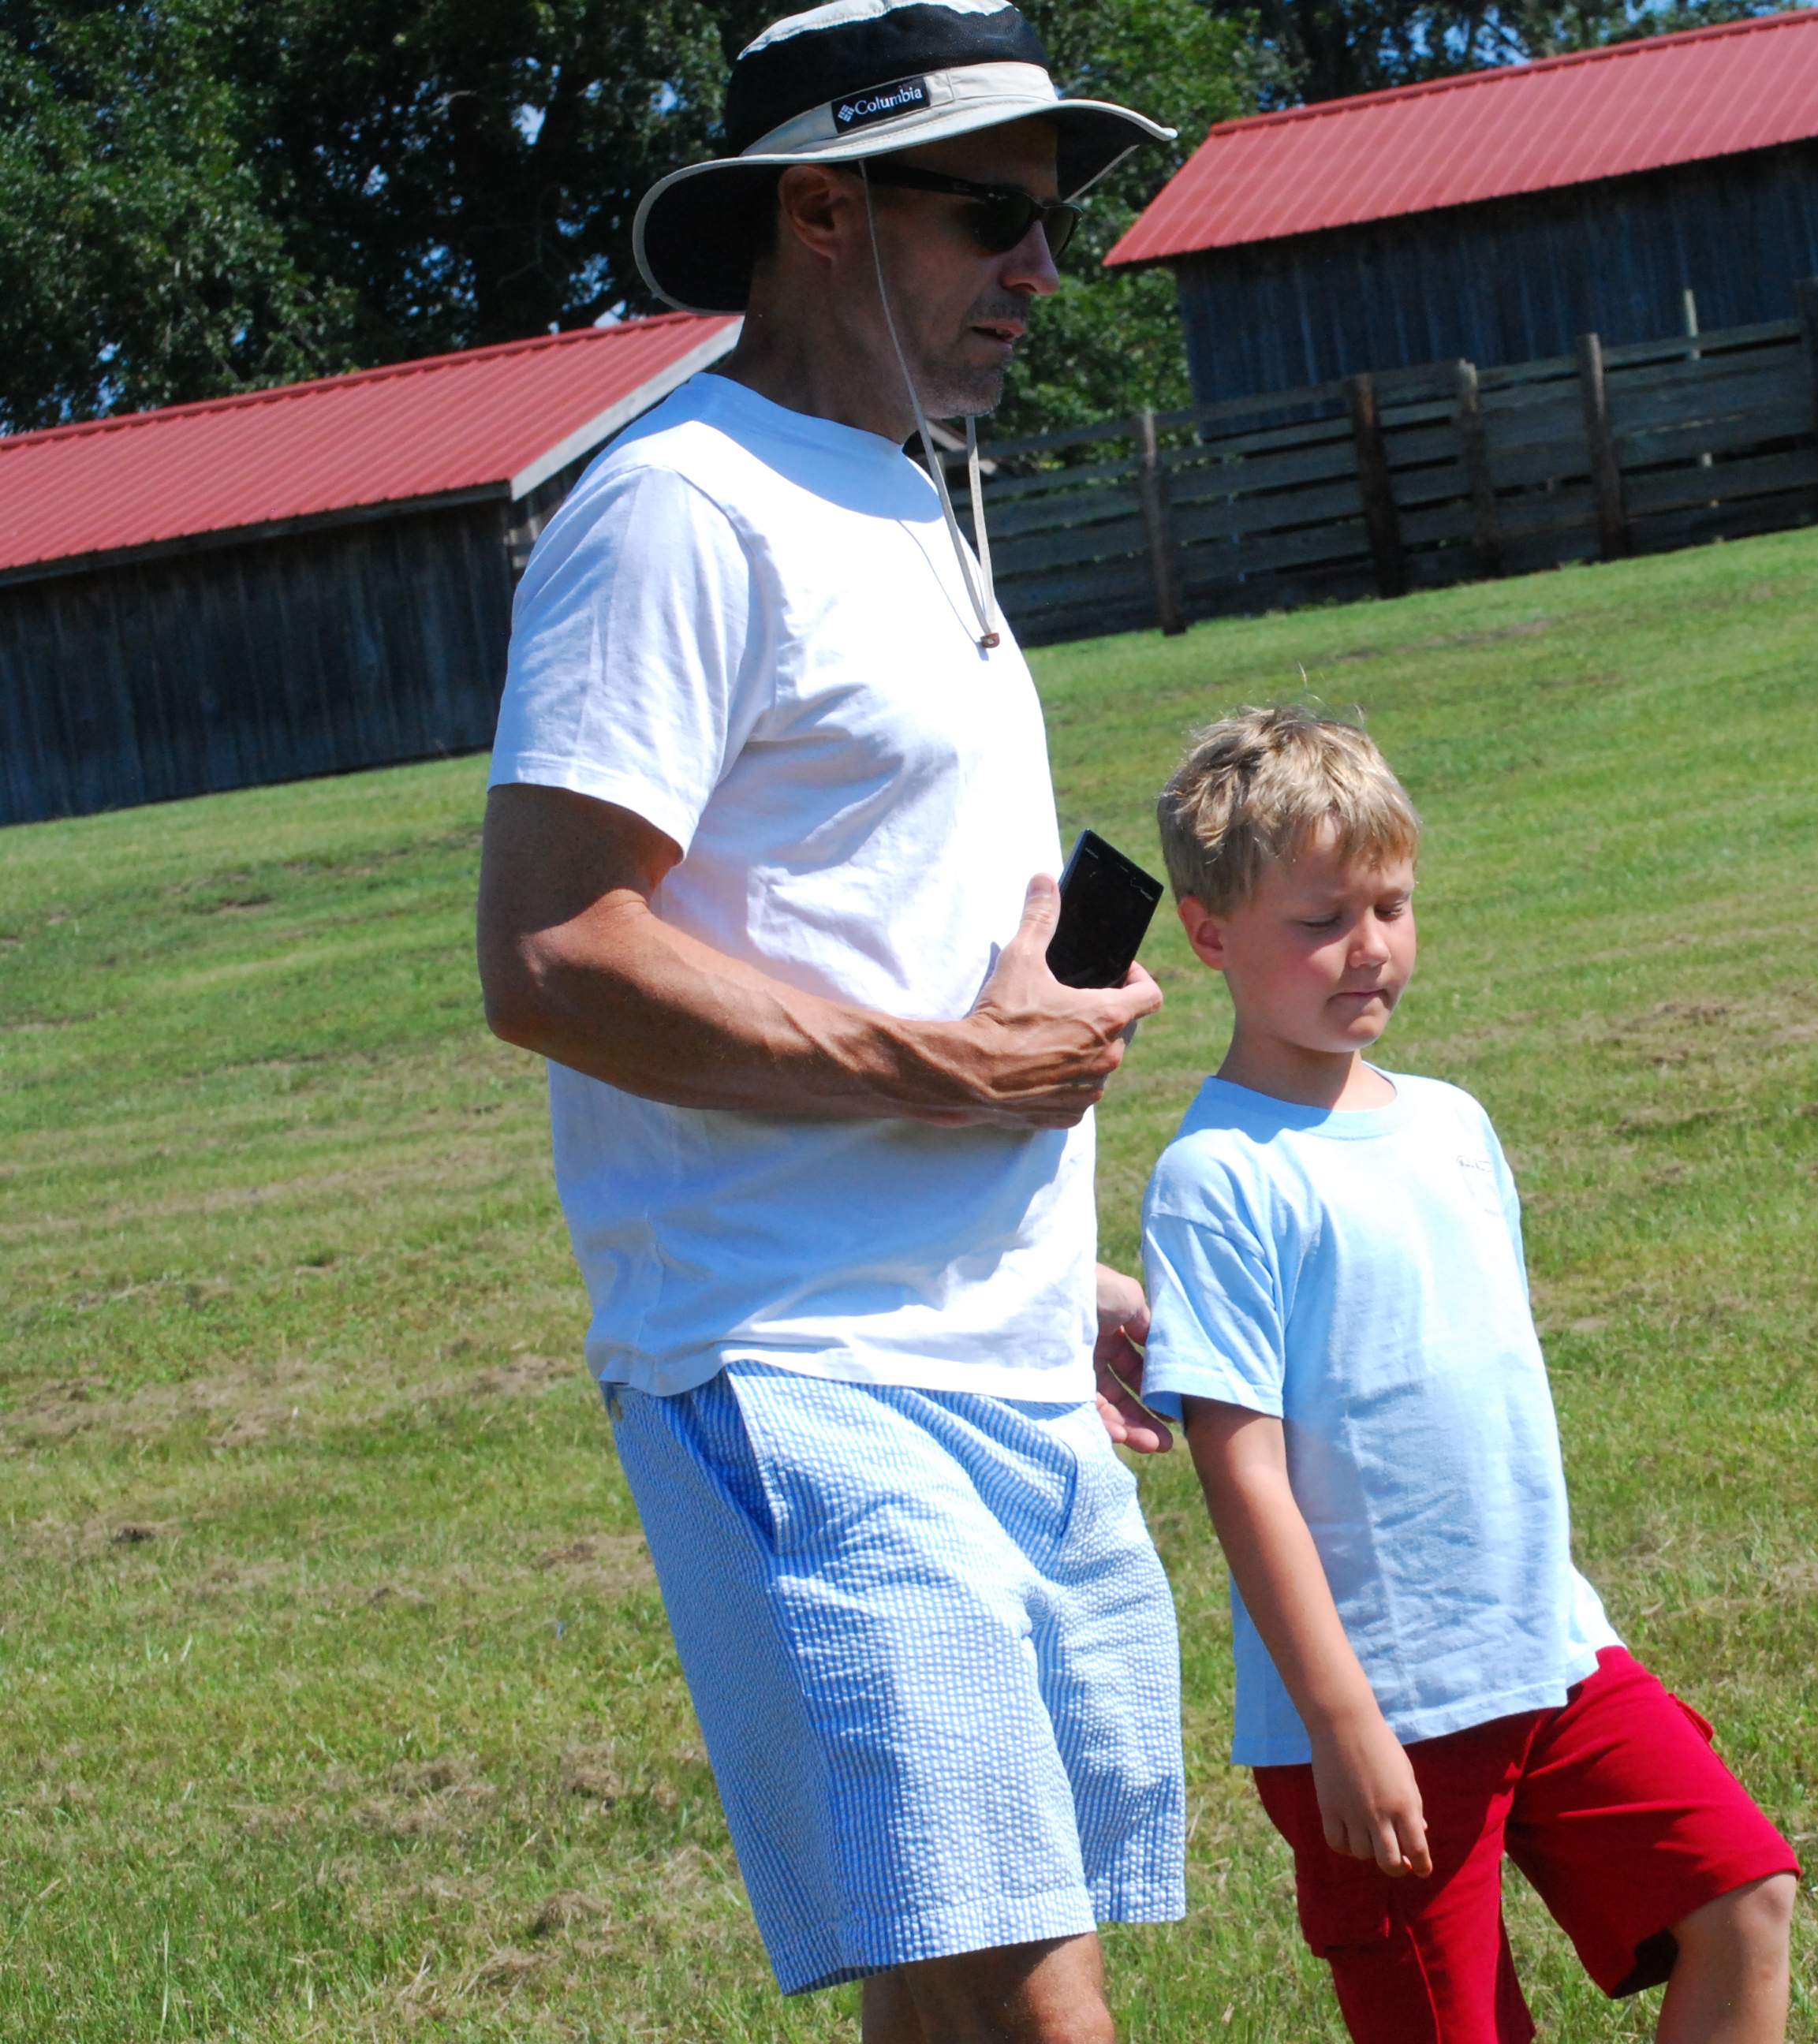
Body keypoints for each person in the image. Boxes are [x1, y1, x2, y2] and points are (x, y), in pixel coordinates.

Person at [472, 6, 1185, 2038]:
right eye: (991, 216)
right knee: (1033, 2005)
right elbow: (551, 952)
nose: (1044, 267)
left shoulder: (907, 497)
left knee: (956, 1994)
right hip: (798, 1372)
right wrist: (955, 1075)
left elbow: (870, 924)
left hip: (985, 1356)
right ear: (818, 214)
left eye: (1051, 221)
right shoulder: (677, 510)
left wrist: (1043, 1263)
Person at [1134, 708, 1801, 2044]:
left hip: (1548, 1651)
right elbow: (1243, 1474)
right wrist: (1342, 1720)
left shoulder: (1451, 1122)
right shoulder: (1219, 1177)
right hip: (1379, 1705)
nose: (1369, 946)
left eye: (1391, 906)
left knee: (1743, 1896)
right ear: (1209, 934)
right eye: (1322, 919)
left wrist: (1559, 1616)